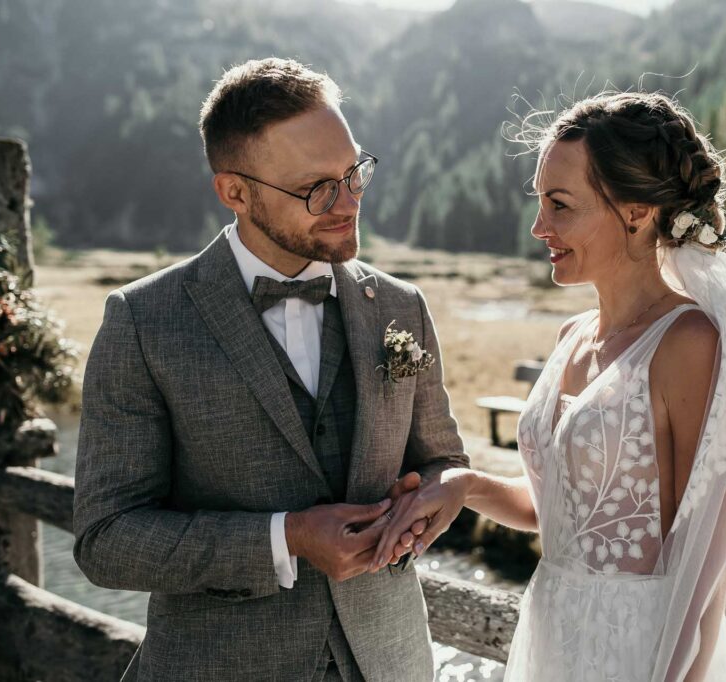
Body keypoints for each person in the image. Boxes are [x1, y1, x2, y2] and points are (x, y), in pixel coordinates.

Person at [372, 91, 726, 681]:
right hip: (552, 637)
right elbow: (562, 512)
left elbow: (706, 564)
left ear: (637, 211)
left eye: (560, 205)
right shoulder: (571, 336)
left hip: (646, 652)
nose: (539, 227)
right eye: (539, 203)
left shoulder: (690, 344)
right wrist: (464, 485)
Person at [72, 57, 469, 682]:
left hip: (390, 663)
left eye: (353, 173)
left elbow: (444, 459)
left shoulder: (401, 307)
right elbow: (107, 539)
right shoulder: (143, 321)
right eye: (316, 188)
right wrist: (286, 537)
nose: (347, 203)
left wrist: (442, 494)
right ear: (235, 192)